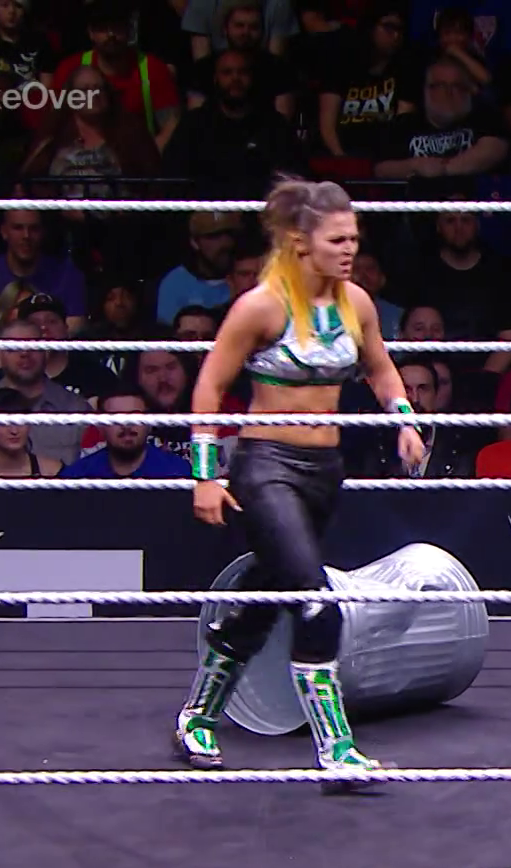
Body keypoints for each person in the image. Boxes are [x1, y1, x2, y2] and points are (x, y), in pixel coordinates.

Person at [174, 177, 425, 783]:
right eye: (337, 240)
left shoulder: (356, 303)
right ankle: (336, 750)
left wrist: (405, 420)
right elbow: (210, 385)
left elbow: (381, 368)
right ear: (300, 242)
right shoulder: (261, 306)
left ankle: (198, 715)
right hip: (267, 466)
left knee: (267, 594)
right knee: (316, 600)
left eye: (354, 238)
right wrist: (205, 476)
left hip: (324, 471)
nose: (349, 249)